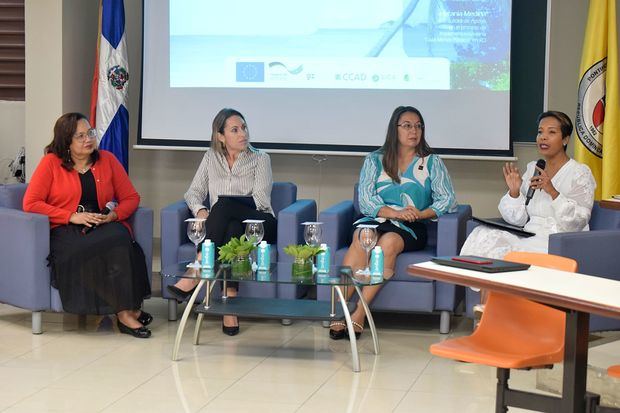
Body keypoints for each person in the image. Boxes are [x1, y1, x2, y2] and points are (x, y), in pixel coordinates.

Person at [329, 106, 457, 340]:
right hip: (378, 217)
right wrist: (394, 213)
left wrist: (420, 213)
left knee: (387, 244)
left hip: (411, 226)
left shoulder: (431, 162)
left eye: (418, 126)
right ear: (394, 129)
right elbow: (366, 199)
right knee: (364, 236)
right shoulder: (375, 160)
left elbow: (447, 199)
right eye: (407, 125)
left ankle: (359, 313)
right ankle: (339, 308)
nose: (414, 131)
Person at [23, 113, 152, 338]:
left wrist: (113, 216)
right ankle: (126, 310)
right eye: (80, 136)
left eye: (90, 133)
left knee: (120, 238)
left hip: (102, 223)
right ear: (66, 142)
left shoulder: (108, 160)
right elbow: (31, 203)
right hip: (65, 228)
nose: (88, 139)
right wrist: (70, 216)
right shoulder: (51, 163)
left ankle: (124, 312)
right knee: (83, 248)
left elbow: (131, 197)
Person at [460, 111, 596, 316]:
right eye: (540, 132)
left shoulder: (579, 172)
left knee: (504, 255)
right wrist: (514, 192)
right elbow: (519, 218)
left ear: (566, 139)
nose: (543, 137)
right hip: (530, 234)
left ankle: (489, 319)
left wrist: (552, 191)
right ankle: (486, 316)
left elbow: (578, 221)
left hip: (559, 239)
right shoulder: (534, 167)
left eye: (551, 132)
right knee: (485, 236)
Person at [167, 108, 277, 336]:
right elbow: (193, 193)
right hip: (230, 227)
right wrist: (202, 211)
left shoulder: (261, 158)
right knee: (231, 228)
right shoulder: (210, 157)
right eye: (235, 130)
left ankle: (197, 268)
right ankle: (230, 306)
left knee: (225, 207)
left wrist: (221, 208)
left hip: (261, 224)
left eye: (244, 128)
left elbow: (260, 200)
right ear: (220, 136)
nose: (242, 134)